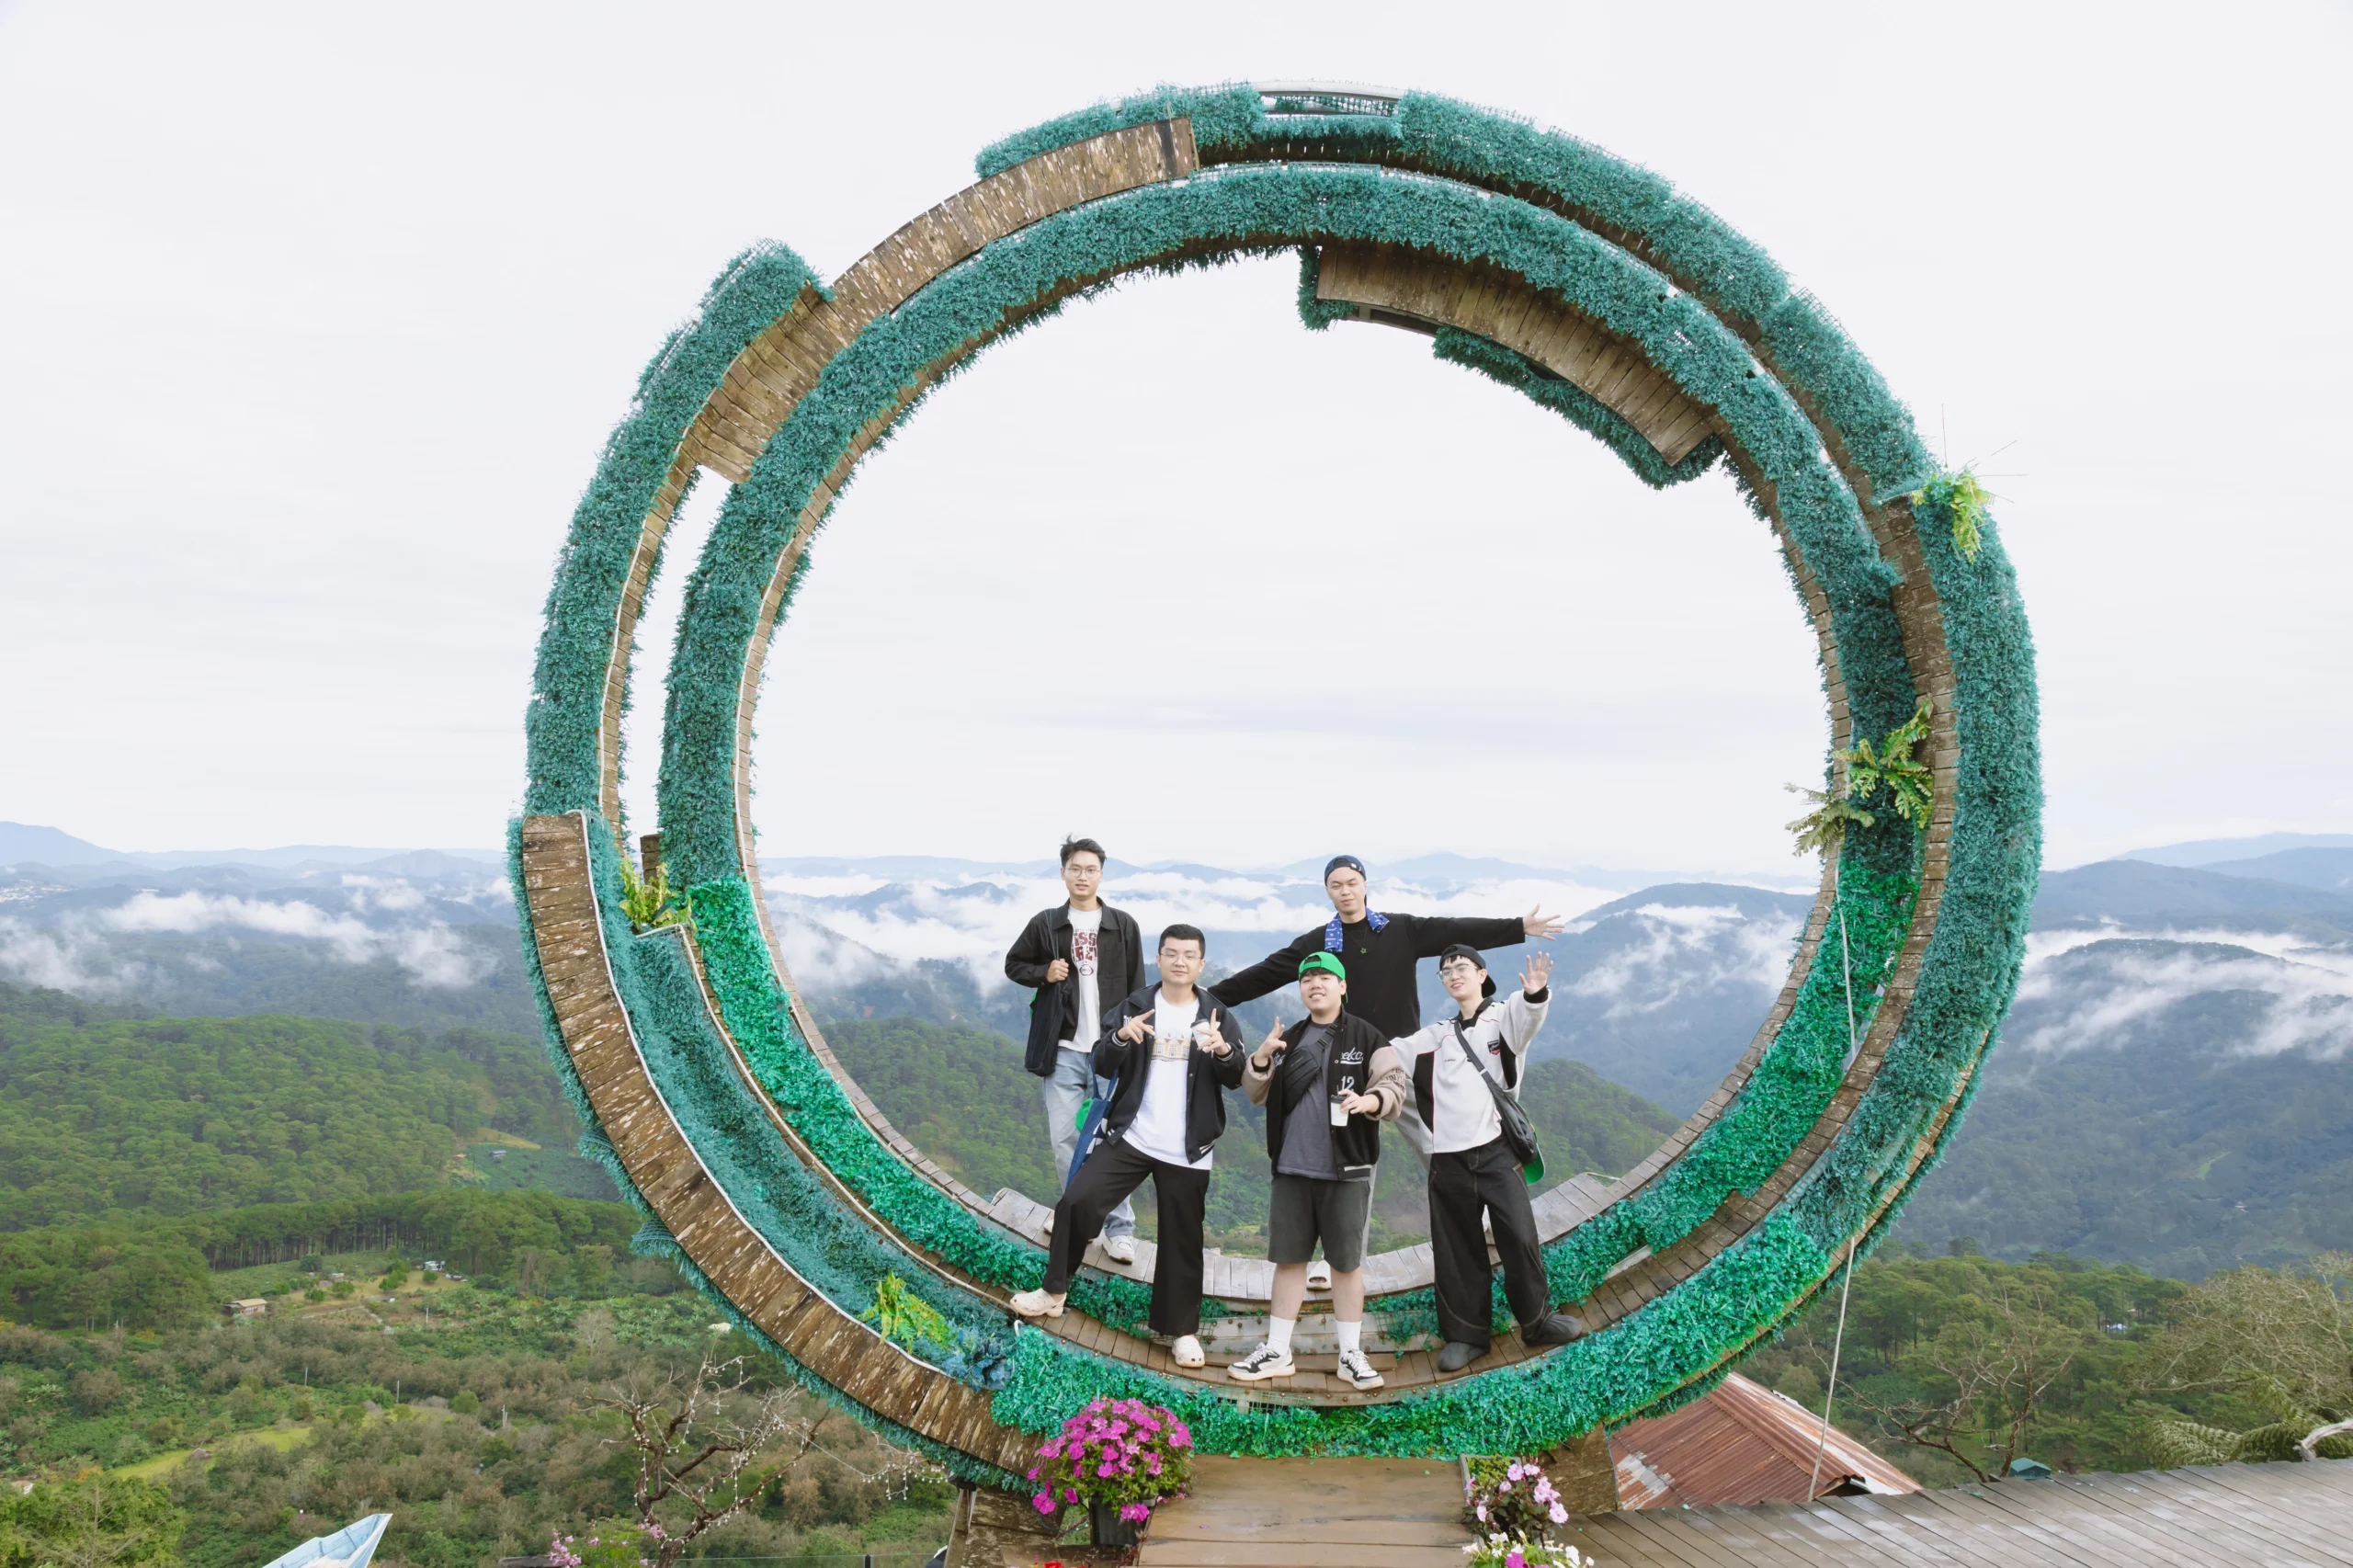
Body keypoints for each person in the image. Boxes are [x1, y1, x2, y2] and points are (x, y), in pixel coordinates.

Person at [1009, 926, 1246, 1369]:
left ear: (1201, 964)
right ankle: (1054, 1291)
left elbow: (1236, 1077)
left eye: (1188, 955)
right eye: (1171, 953)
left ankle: (1182, 1332)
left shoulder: (1216, 1014)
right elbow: (1101, 1061)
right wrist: (1121, 1038)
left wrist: (1223, 1052)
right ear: (1159, 959)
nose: (1179, 962)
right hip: (1131, 1135)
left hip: (1187, 1148)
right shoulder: (1136, 1005)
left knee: (1182, 1240)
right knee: (1077, 1202)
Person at [1395, 944, 1586, 1371]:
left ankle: (1537, 1322)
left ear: (1482, 974)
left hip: (1497, 1150)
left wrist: (1536, 992)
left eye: (1462, 967)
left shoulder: (1503, 1017)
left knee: (1519, 1236)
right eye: (1446, 971)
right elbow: (1390, 1052)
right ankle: (1466, 1335)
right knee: (1457, 1249)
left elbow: (1528, 1016)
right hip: (1446, 1159)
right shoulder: (1435, 1035)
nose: (1454, 974)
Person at [1228, 952, 1406, 1391]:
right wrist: (1262, 1058)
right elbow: (1255, 1094)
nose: (1315, 984)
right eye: (1307, 978)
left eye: (1325, 977)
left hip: (1348, 1169)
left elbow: (1394, 1085)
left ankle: (1350, 1354)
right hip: (1291, 1167)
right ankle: (1277, 1350)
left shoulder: (1367, 1037)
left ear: (1342, 986)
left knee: (1345, 1265)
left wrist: (1370, 1101)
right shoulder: (1289, 1038)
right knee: (1289, 1261)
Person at [1004, 838, 1143, 1262]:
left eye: (1091, 869)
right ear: (1063, 872)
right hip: (1062, 1048)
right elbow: (1014, 965)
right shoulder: (1047, 923)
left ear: (1101, 874)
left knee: (1112, 1141)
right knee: (1066, 1139)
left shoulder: (1122, 926)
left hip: (1110, 1049)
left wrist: (1136, 1045)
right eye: (1075, 869)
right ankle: (1079, 1219)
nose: (1083, 876)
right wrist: (1044, 972)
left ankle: (1119, 1229)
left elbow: (1137, 988)